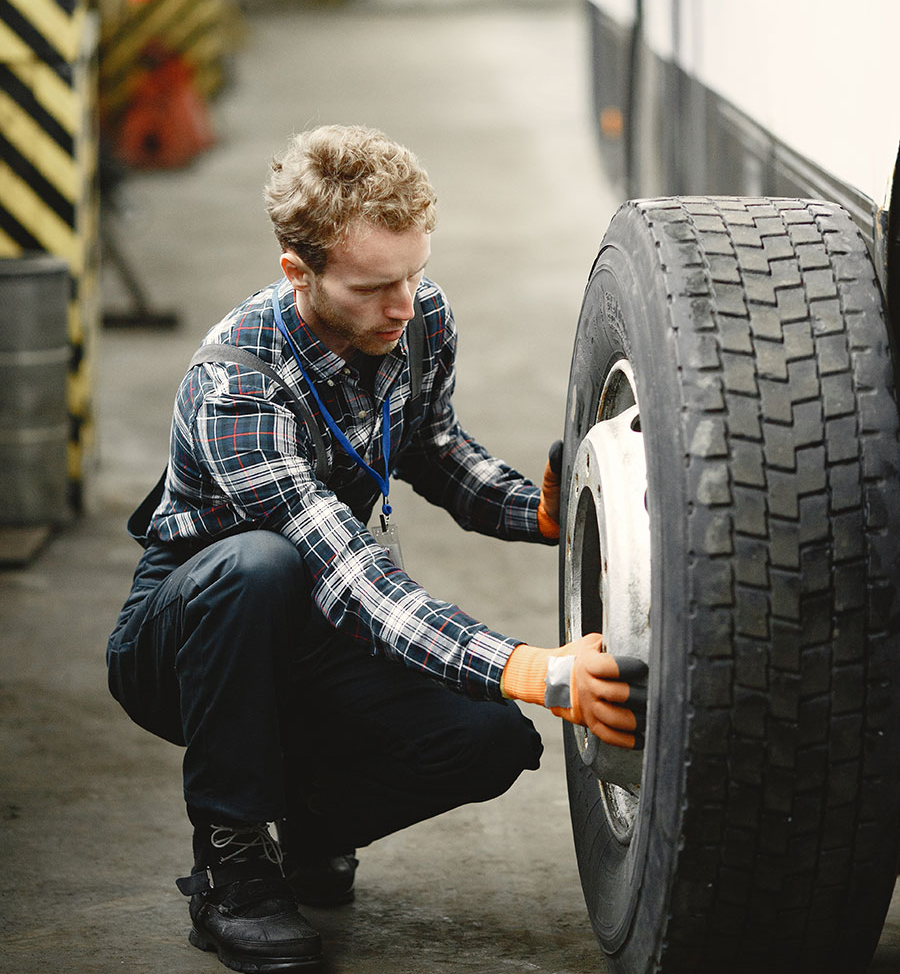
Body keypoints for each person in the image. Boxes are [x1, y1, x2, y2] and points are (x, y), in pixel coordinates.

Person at [106, 124, 646, 972]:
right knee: (260, 565)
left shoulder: (416, 318)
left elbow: (432, 446)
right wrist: (531, 668)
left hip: (316, 619)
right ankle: (231, 867)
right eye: (373, 287)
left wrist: (535, 513)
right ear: (299, 273)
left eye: (414, 273)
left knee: (492, 740)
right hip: (192, 635)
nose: (403, 305)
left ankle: (306, 823)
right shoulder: (236, 384)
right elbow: (350, 573)